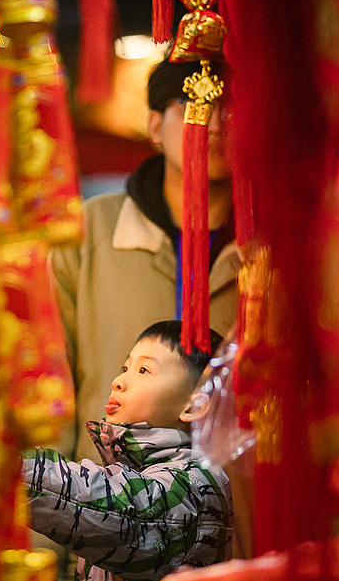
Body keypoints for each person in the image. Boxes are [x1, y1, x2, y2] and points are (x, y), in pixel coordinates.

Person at [23, 320, 233, 581]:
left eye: (143, 370)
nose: (119, 381)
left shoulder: (195, 484)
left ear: (195, 403)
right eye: (125, 367)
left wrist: (2, 457)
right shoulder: (135, 471)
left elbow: (112, 506)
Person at [51, 59, 239, 464]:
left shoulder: (275, 244)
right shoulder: (87, 231)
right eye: (194, 105)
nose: (215, 124)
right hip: (102, 488)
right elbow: (51, 378)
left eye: (233, 109)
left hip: (231, 493)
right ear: (155, 126)